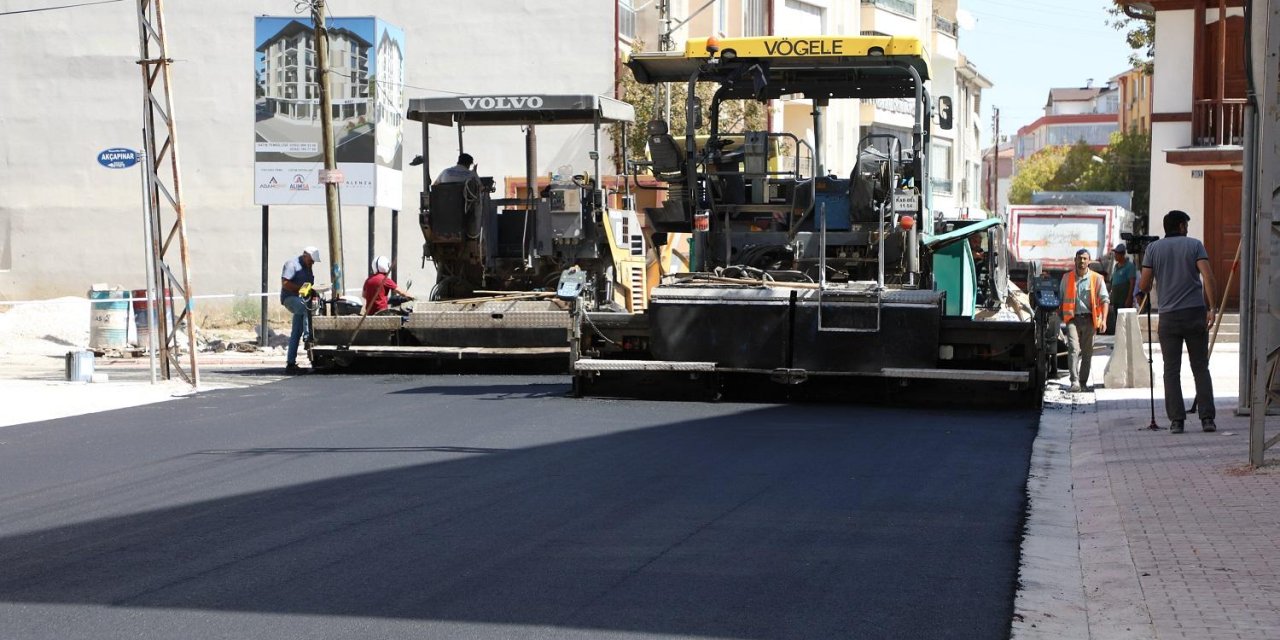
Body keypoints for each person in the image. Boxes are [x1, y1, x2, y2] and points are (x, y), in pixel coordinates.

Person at [1136, 210, 1218, 434]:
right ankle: (1207, 419)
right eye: (1186, 225)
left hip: (1168, 317)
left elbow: (1143, 285)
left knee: (1171, 370)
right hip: (1194, 314)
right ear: (1181, 226)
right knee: (1200, 367)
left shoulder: (1153, 249)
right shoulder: (1195, 246)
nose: (1187, 229)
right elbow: (1208, 276)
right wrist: (1212, 308)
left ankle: (1177, 421)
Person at [1060, 248, 1110, 392]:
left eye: (1084, 259)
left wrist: (1104, 320)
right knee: (1074, 349)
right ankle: (1074, 381)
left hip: (1090, 320)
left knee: (1087, 353)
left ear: (1089, 261)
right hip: (1072, 320)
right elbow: (1060, 299)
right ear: (1075, 260)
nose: (1082, 261)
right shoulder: (1067, 278)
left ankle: (1083, 382)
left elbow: (1105, 300)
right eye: (1079, 258)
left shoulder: (1097, 278)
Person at [280, 246, 320, 374]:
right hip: (290, 298)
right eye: (311, 260)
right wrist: (299, 290)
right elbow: (285, 283)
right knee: (306, 309)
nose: (312, 263)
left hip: (302, 300)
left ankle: (290, 363)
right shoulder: (291, 264)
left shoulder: (308, 268)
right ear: (305, 255)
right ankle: (308, 336)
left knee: (296, 333)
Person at [1110, 243, 1137, 309]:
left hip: (1123, 300)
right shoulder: (1116, 266)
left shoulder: (1129, 266)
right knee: (1116, 318)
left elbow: (1132, 283)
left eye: (1117, 254)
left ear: (1122, 254)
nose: (1115, 255)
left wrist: (1129, 298)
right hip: (1115, 299)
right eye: (1115, 253)